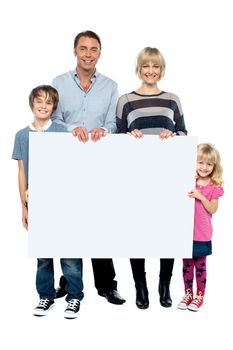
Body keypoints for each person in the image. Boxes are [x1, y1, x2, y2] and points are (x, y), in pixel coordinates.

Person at [51, 30, 125, 305]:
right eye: (83, 48)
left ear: (99, 53)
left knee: (100, 223)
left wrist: (103, 130)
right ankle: (68, 282)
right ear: (74, 51)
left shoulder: (110, 85)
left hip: (99, 163)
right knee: (69, 223)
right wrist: (73, 129)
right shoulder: (58, 82)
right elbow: (53, 119)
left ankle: (107, 285)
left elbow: (114, 123)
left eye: (93, 49)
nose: (88, 54)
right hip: (66, 163)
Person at [116, 47, 187, 309]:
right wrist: (128, 137)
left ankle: (164, 285)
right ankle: (140, 286)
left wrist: (173, 136)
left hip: (167, 177)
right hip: (135, 177)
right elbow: (116, 140)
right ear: (139, 68)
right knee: (137, 232)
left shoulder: (172, 99)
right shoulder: (125, 100)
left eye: (155, 66)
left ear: (162, 70)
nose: (150, 71)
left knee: (167, 231)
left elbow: (183, 132)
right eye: (146, 65)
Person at [12, 85, 84, 319]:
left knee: (69, 254)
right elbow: (22, 171)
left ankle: (74, 297)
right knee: (43, 255)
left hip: (63, 203)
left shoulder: (63, 132)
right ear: (32, 103)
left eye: (48, 102)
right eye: (39, 101)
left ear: (54, 107)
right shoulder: (22, 135)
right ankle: (46, 295)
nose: (43, 106)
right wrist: (23, 206)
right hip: (37, 203)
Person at [177, 143, 224, 311]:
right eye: (200, 162)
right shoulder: (188, 180)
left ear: (214, 166)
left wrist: (201, 196)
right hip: (185, 232)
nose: (204, 167)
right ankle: (187, 293)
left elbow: (213, 209)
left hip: (202, 234)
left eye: (209, 164)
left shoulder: (214, 186)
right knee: (187, 264)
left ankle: (200, 295)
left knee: (201, 265)